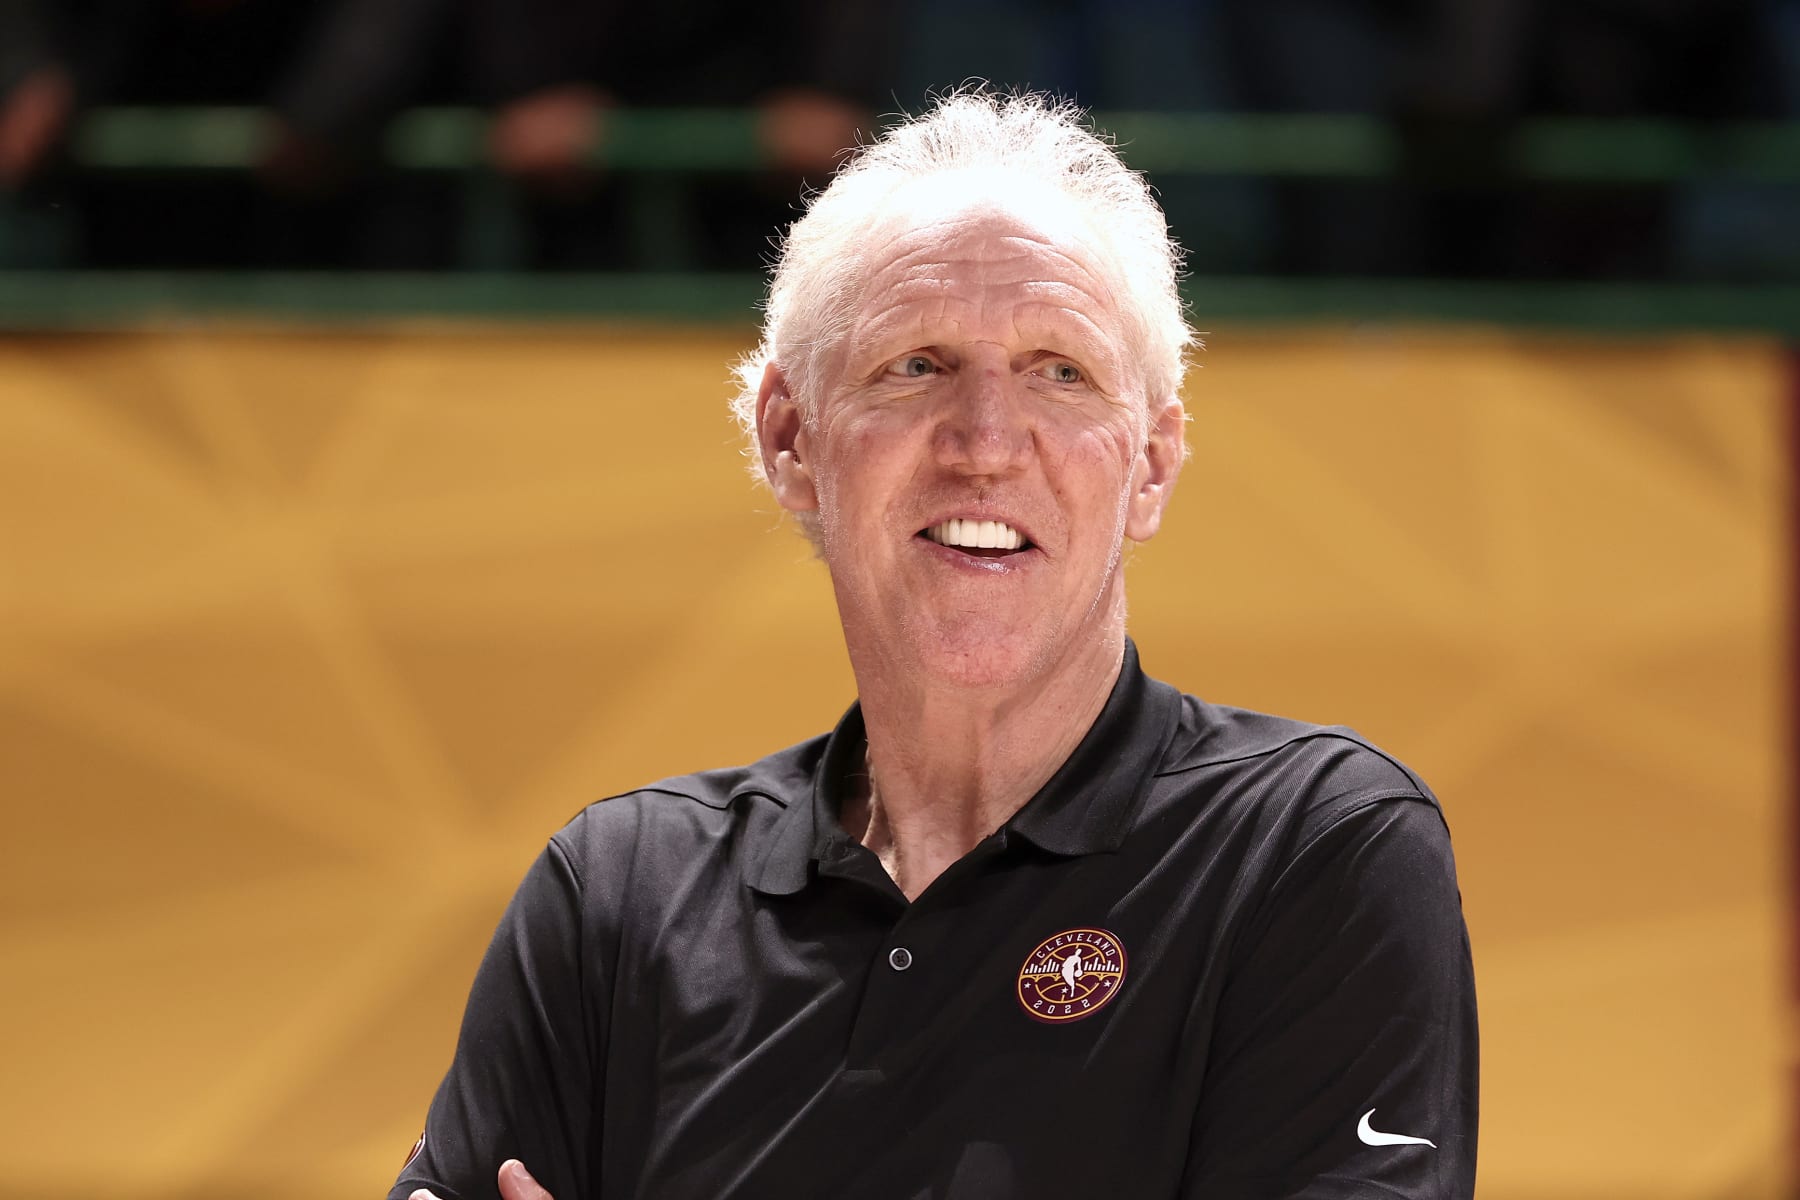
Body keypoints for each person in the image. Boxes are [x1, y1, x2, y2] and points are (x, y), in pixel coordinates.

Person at [391, 90, 1479, 1200]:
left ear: (1150, 464)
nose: (986, 443)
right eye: (917, 365)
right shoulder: (616, 897)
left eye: (1062, 371)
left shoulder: (1310, 851)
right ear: (791, 439)